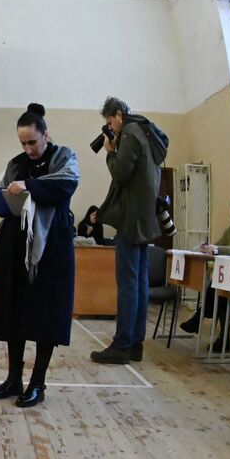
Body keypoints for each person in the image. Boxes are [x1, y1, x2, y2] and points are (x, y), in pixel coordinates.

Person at [0, 104, 79, 407]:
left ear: (45, 135)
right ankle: (13, 379)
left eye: (32, 142)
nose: (28, 148)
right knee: (14, 311)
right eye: (23, 143)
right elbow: (6, 192)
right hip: (15, 244)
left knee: (45, 314)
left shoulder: (65, 156)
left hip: (51, 246)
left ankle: (38, 383)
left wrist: (29, 186)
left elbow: (66, 184)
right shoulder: (16, 162)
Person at [91, 97, 168, 364]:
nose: (110, 127)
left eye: (110, 122)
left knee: (127, 283)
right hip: (144, 218)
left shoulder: (132, 133)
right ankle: (136, 344)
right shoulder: (146, 131)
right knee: (140, 282)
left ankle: (122, 344)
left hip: (131, 219)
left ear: (120, 115)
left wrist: (110, 152)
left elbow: (121, 174)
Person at [176, 195, 230, 349]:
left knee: (217, 290)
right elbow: (218, 245)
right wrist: (208, 247)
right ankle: (219, 336)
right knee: (217, 289)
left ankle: (200, 320)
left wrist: (217, 249)